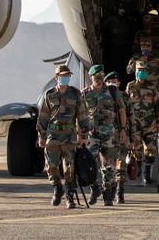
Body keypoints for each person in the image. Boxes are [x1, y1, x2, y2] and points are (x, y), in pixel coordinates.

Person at [37, 64, 91, 209]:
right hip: (52, 135)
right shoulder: (49, 95)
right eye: (63, 76)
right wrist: (41, 135)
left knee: (70, 168)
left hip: (69, 136)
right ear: (57, 78)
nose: (66, 78)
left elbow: (82, 115)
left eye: (68, 76)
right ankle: (57, 188)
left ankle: (69, 195)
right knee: (51, 166)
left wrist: (84, 135)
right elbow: (43, 116)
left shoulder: (75, 94)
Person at [82, 65, 127, 206]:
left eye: (102, 75)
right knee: (88, 163)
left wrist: (123, 129)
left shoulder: (112, 91)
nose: (100, 78)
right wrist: (80, 134)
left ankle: (108, 195)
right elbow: (80, 115)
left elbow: (121, 110)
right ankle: (95, 188)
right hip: (92, 134)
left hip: (109, 134)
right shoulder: (84, 94)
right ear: (91, 77)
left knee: (109, 166)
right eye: (97, 75)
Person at [127, 59, 159, 185]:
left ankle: (146, 175)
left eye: (143, 71)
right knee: (136, 150)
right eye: (139, 70)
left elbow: (158, 105)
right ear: (135, 71)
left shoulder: (153, 87)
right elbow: (126, 106)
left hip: (150, 123)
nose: (141, 73)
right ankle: (138, 169)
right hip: (135, 123)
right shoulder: (130, 86)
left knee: (150, 150)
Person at [107, 72, 133, 203]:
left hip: (123, 135)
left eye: (115, 81)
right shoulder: (103, 97)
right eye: (110, 81)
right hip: (108, 137)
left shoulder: (125, 97)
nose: (113, 83)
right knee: (109, 165)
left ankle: (120, 191)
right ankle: (111, 190)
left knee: (121, 164)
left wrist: (133, 138)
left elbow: (131, 118)